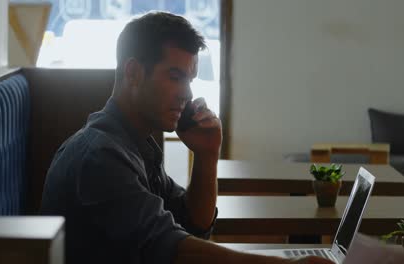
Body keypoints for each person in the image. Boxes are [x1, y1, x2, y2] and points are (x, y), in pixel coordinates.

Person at [40, 11, 333, 264]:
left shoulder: (135, 145)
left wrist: (208, 156)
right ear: (133, 73)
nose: (188, 94)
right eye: (175, 76)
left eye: (190, 79)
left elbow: (194, 224)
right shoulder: (100, 156)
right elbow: (173, 251)